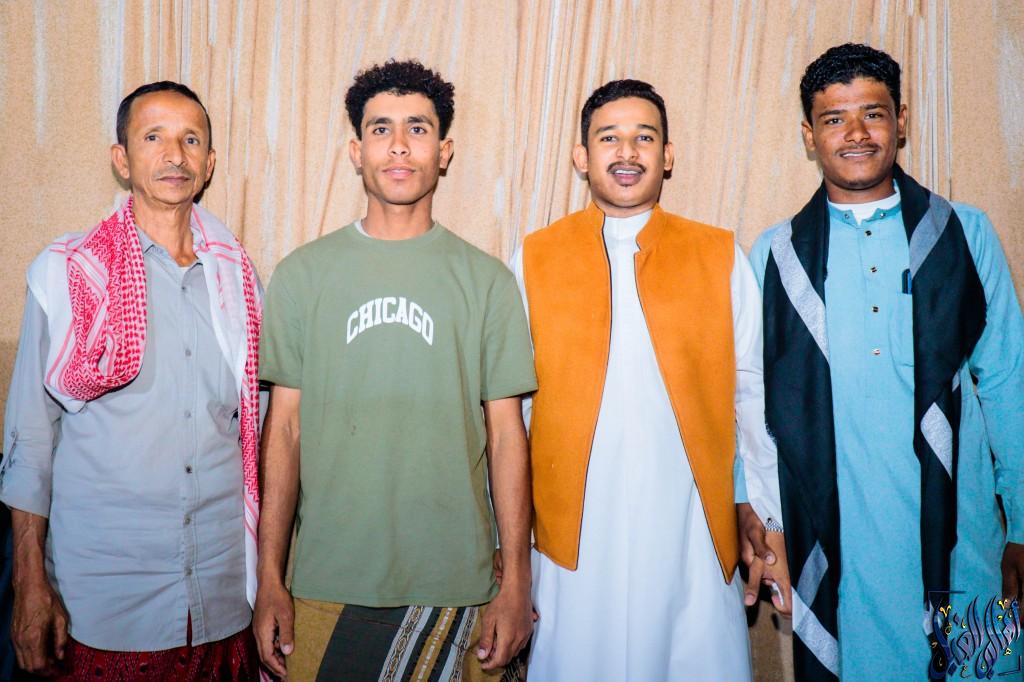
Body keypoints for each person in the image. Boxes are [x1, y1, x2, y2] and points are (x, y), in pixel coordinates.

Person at [253, 60, 537, 682]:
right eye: (381, 129)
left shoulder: (488, 281)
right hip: (325, 582)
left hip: (459, 588)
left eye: (418, 128)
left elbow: (506, 437)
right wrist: (269, 577)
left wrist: (517, 581)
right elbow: (284, 431)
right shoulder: (302, 276)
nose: (400, 145)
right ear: (357, 152)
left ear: (444, 151)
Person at [750, 43, 1024, 680]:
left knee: (982, 670)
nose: (855, 134)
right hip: (841, 542)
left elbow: (1009, 383)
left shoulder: (963, 233)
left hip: (964, 537)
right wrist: (761, 519)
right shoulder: (777, 257)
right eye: (833, 119)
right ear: (809, 135)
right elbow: (750, 404)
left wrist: (1023, 523)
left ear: (901, 121)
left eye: (872, 114)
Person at [512, 78, 787, 681]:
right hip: (572, 537)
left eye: (644, 137)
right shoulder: (535, 257)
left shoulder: (718, 255)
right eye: (609, 137)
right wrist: (510, 551)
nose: (627, 152)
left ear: (668, 155)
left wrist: (764, 512)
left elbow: (752, 395)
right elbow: (513, 415)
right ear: (581, 156)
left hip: (691, 527)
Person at [1, 81, 262, 680]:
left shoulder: (240, 284)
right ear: (122, 159)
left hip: (223, 603)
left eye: (190, 140)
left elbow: (256, 438)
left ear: (209, 163)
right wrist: (29, 583)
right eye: (153, 138)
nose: (174, 155)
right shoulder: (67, 276)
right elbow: (31, 441)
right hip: (104, 607)